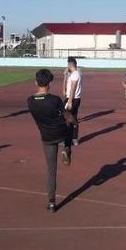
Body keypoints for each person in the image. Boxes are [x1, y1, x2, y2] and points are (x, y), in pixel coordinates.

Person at [28, 68, 77, 212]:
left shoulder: (30, 101)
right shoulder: (55, 100)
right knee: (71, 125)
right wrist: (74, 121)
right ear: (50, 83)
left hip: (46, 137)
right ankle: (67, 148)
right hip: (60, 133)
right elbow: (67, 116)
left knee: (51, 170)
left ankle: (51, 202)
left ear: (36, 82)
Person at [62, 57, 82, 145]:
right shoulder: (75, 74)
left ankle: (67, 139)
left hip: (72, 98)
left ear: (70, 64)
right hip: (75, 98)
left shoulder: (75, 74)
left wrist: (69, 101)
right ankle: (74, 138)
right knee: (73, 118)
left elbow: (73, 88)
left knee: (66, 118)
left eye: (68, 65)